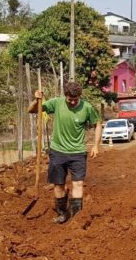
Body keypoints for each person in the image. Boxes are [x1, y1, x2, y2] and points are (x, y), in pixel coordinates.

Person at [28, 81, 102, 224]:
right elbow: (32, 110)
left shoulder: (87, 107)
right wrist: (36, 99)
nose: (73, 102)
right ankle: (62, 213)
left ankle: (76, 217)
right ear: (65, 96)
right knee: (58, 184)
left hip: (78, 152)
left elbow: (97, 123)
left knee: (78, 184)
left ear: (80, 96)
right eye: (70, 99)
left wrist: (96, 146)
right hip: (58, 151)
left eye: (76, 99)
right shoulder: (56, 103)